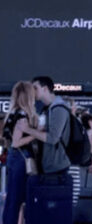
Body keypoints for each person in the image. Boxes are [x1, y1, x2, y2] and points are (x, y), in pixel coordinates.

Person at [2, 81, 38, 224]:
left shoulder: (11, 114)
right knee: (19, 198)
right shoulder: (23, 115)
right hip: (22, 160)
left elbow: (8, 141)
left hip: (13, 158)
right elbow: (17, 142)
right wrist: (36, 134)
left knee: (12, 198)